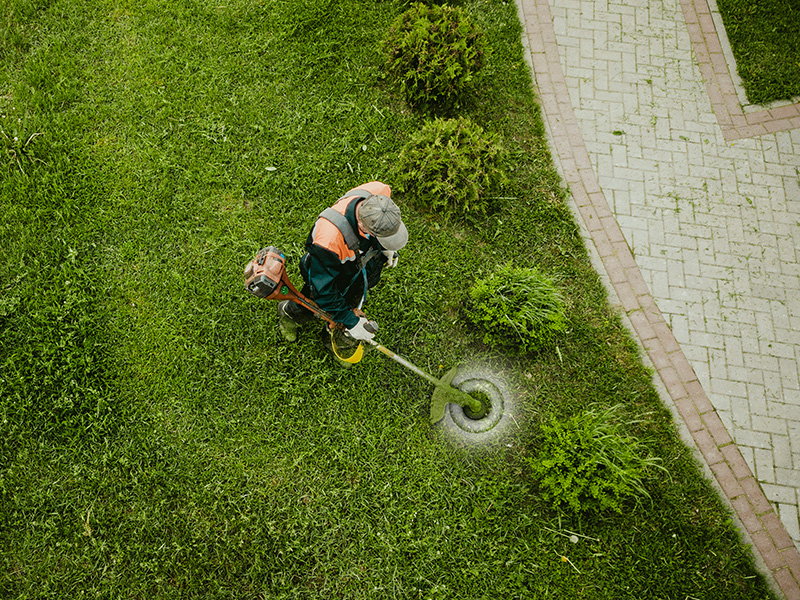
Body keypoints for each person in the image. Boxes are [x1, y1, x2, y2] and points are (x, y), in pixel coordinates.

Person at [277, 181, 408, 349]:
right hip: (330, 269)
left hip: (360, 264)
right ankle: (290, 314)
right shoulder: (329, 240)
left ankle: (333, 332)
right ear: (363, 225)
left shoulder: (380, 191)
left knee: (351, 300)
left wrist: (385, 248)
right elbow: (323, 291)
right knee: (314, 302)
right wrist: (352, 321)